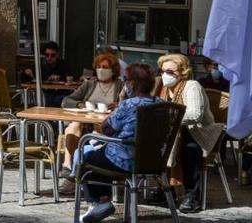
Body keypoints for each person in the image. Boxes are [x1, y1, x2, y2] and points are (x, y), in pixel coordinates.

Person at [77, 63, 159, 223]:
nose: (124, 83)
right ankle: (104, 201)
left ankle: (100, 202)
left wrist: (121, 101)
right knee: (101, 155)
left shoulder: (129, 105)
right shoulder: (161, 103)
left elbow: (106, 129)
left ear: (132, 83)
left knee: (86, 156)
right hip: (152, 161)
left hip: (125, 160)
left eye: (125, 79)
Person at [157, 53, 222, 214]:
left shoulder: (192, 86)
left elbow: (195, 115)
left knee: (187, 146)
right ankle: (166, 189)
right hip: (175, 132)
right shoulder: (164, 88)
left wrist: (169, 118)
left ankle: (192, 195)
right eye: (163, 71)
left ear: (183, 72)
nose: (165, 75)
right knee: (155, 142)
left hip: (199, 133)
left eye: (170, 72)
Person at [58, 53, 124, 194]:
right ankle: (67, 165)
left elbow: (127, 104)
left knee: (98, 129)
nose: (101, 70)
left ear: (113, 69)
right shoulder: (89, 83)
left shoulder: (120, 85)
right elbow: (66, 100)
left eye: (105, 67)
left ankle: (83, 171)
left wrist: (118, 105)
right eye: (99, 67)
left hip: (104, 124)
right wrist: (80, 104)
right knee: (74, 125)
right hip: (85, 121)